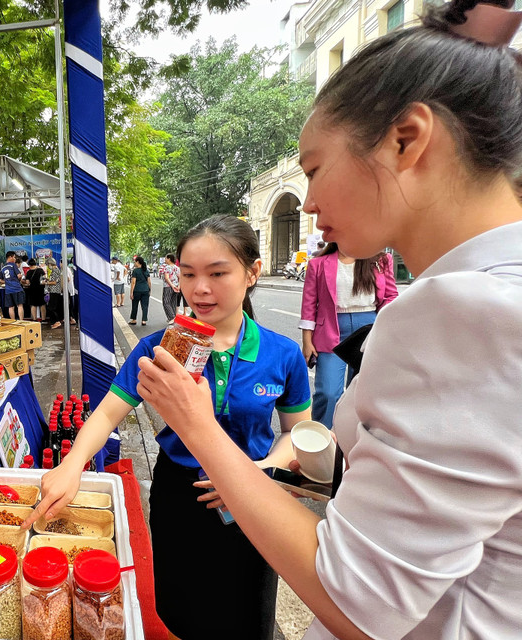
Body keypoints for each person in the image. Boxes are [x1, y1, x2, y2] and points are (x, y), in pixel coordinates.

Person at [134, 2, 522, 637]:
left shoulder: (465, 313)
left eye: (314, 168)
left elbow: (360, 602)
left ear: (407, 139)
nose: (309, 202)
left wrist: (197, 425)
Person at [26, 216, 311, 639]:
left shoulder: (282, 354)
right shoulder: (158, 349)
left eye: (218, 273)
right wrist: (72, 465)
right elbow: (105, 414)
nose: (200, 289)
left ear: (252, 273)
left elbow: (297, 434)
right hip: (180, 496)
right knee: (178, 615)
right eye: (189, 274)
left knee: (247, 617)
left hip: (255, 500)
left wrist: (260, 471)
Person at [300, 242, 398, 427]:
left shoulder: (381, 260)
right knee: (328, 392)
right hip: (330, 330)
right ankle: (322, 437)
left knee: (362, 392)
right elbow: (309, 304)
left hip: (369, 329)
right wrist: (307, 340)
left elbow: (391, 295)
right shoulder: (318, 264)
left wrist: (384, 323)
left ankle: (353, 437)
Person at [0, 251, 25, 320]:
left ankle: (13, 322)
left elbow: (0, 280)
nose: (15, 259)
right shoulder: (13, 265)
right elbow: (19, 276)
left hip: (8, 290)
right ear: (10, 257)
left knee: (11, 307)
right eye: (14, 257)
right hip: (17, 288)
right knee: (19, 305)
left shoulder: (3, 268)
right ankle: (21, 321)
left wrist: (7, 281)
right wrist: (19, 280)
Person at [128, 256, 151, 326]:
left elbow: (133, 282)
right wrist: (149, 290)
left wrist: (131, 292)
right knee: (145, 306)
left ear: (138, 262)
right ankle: (144, 320)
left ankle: (134, 319)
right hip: (145, 290)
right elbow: (149, 282)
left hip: (137, 290)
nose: (134, 263)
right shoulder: (146, 270)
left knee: (135, 305)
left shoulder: (135, 271)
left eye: (135, 262)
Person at [160, 253, 181, 324]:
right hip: (176, 287)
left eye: (166, 258)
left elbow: (167, 278)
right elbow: (180, 278)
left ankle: (172, 317)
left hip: (168, 286)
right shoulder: (177, 268)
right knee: (173, 302)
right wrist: (178, 286)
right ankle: (174, 317)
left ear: (169, 259)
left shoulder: (167, 267)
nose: (165, 260)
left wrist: (172, 285)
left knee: (166, 302)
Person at [25, 258, 47, 322]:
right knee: (42, 304)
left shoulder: (28, 272)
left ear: (29, 265)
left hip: (32, 290)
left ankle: (34, 319)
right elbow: (44, 279)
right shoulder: (40, 270)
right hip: (40, 289)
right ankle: (43, 319)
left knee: (33, 305)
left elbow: (27, 282)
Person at [45, 257, 64, 329]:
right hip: (56, 291)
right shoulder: (57, 270)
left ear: (50, 264)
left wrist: (46, 282)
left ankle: (56, 321)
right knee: (54, 307)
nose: (48, 266)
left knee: (51, 308)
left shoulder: (55, 271)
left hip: (54, 291)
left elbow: (54, 282)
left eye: (48, 264)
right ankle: (56, 321)